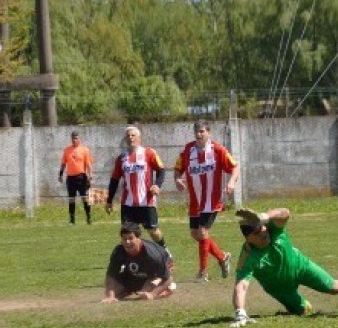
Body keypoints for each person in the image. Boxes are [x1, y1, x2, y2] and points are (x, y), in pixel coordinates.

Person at [229, 207, 338, 327]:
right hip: (279, 288)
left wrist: (264, 217)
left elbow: (285, 213)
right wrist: (240, 312)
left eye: (263, 227)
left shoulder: (273, 230)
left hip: (301, 267)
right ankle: (302, 306)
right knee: (302, 311)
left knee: (334, 287)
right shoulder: (247, 256)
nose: (264, 231)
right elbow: (241, 286)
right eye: (257, 231)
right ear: (248, 238)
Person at [174, 120, 240, 281]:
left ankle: (203, 273)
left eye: (202, 131)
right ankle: (222, 257)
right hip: (195, 201)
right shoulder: (188, 150)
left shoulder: (218, 150)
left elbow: (235, 167)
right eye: (196, 131)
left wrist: (231, 182)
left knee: (203, 232)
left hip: (211, 200)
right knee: (195, 234)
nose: (199, 134)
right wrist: (177, 179)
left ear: (208, 132)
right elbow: (177, 168)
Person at [106, 126, 168, 249]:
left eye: (133, 135)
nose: (130, 138)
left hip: (147, 201)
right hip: (128, 203)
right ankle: (133, 259)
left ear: (139, 138)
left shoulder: (149, 153)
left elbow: (161, 170)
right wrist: (109, 201)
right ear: (125, 139)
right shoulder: (121, 158)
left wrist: (157, 185)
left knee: (153, 231)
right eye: (128, 136)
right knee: (128, 234)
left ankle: (165, 251)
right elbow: (114, 180)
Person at [101, 222, 176, 303]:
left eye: (130, 238)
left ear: (139, 238)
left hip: (156, 272)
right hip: (136, 271)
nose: (127, 242)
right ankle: (130, 289)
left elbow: (167, 278)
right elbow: (111, 274)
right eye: (124, 239)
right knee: (112, 292)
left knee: (144, 293)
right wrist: (110, 296)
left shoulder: (152, 255)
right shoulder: (119, 251)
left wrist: (152, 294)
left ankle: (168, 288)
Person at [58, 131, 93, 225]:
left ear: (79, 139)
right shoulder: (67, 150)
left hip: (81, 177)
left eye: (76, 138)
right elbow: (63, 163)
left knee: (84, 198)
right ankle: (72, 220)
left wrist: (90, 176)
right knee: (71, 199)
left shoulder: (84, 150)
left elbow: (88, 164)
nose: (74, 140)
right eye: (73, 138)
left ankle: (89, 218)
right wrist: (60, 174)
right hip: (70, 178)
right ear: (71, 139)